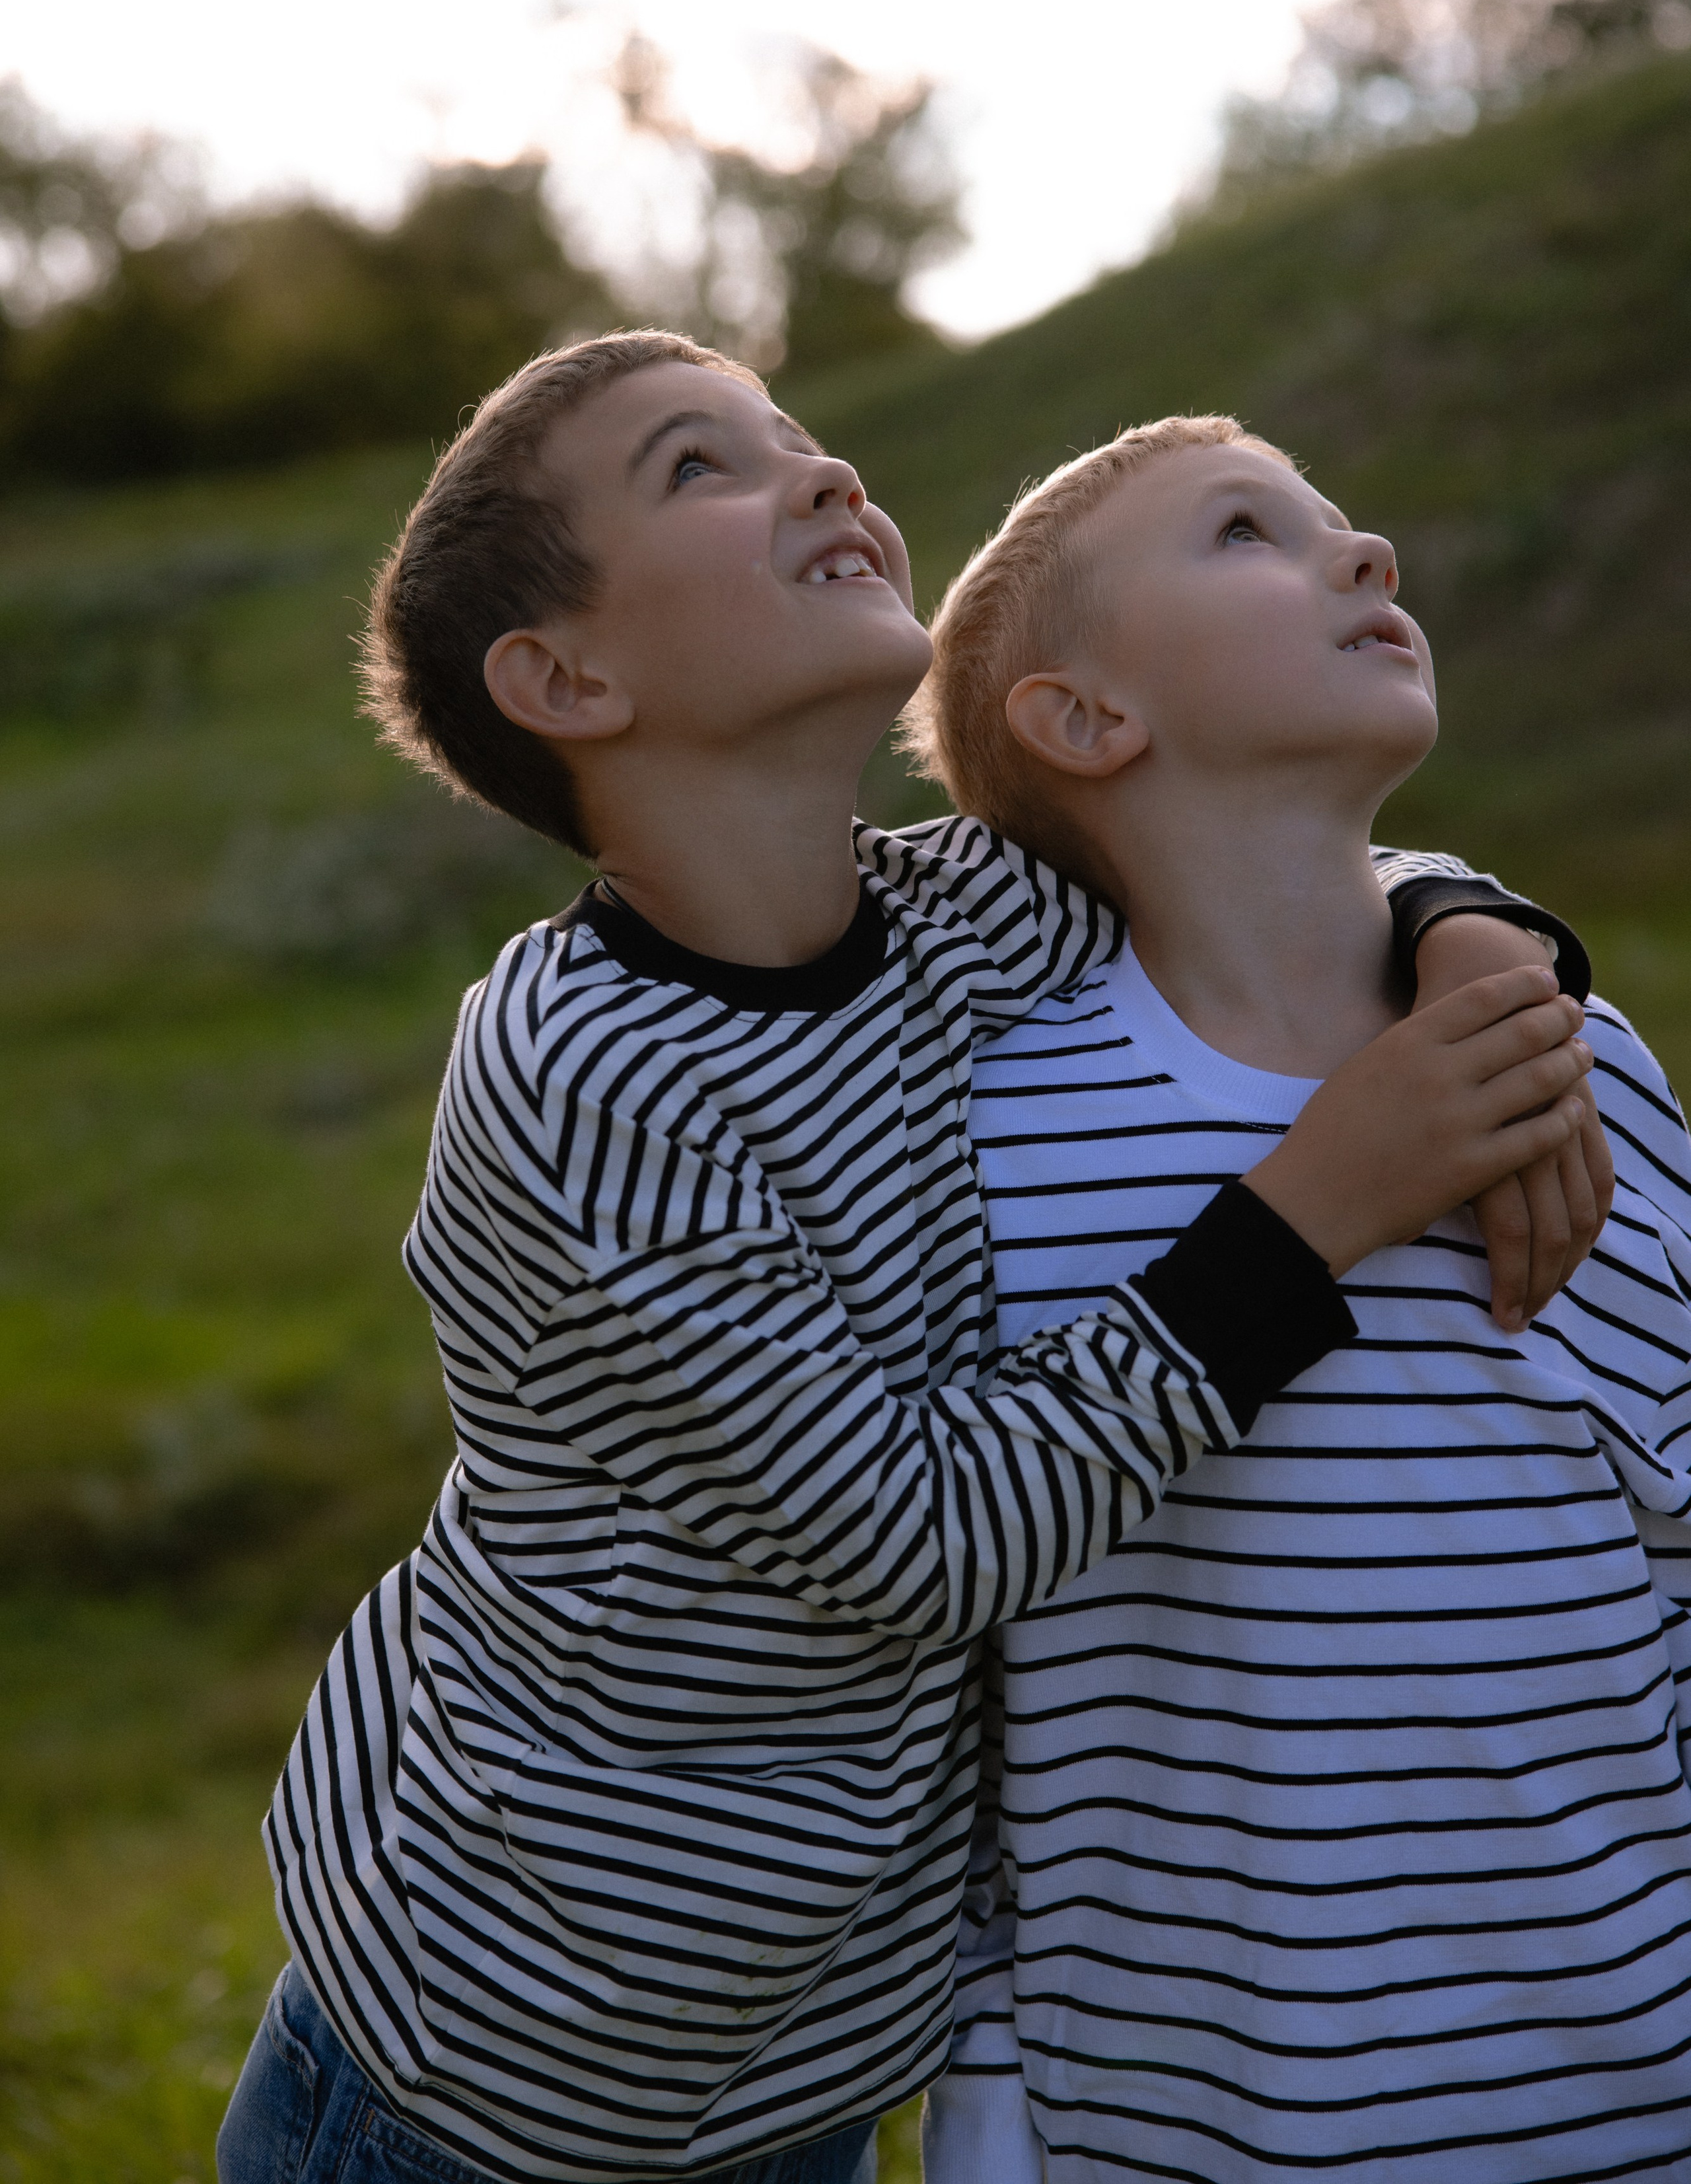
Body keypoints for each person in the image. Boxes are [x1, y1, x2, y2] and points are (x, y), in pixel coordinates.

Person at [221, 339, 1598, 2184]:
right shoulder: (585, 1074)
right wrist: (1316, 1205)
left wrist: (1477, 937)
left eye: (803, 435)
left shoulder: (957, 917)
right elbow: (911, 1540)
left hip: (810, 2044)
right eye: (704, 465)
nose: (822, 472)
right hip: (509, 2045)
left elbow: (1264, 843)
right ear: (567, 678)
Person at [909, 414, 1691, 2184]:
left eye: (1344, 521)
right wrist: (984, 2103)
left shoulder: (1572, 1064)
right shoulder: (995, 1136)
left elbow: (1683, 1538)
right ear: (1087, 719)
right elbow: (959, 1693)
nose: (1367, 555)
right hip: (1199, 2128)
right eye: (1253, 533)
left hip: (1634, 2094)